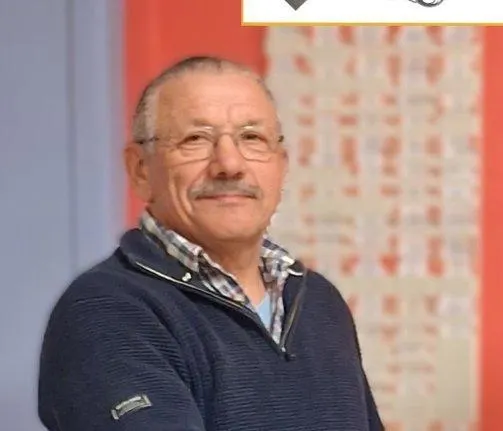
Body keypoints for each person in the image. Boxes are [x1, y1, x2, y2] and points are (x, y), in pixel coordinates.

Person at [37, 56, 383, 431]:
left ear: (281, 165)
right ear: (141, 170)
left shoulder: (319, 301)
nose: (229, 164)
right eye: (195, 139)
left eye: (252, 138)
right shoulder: (104, 310)